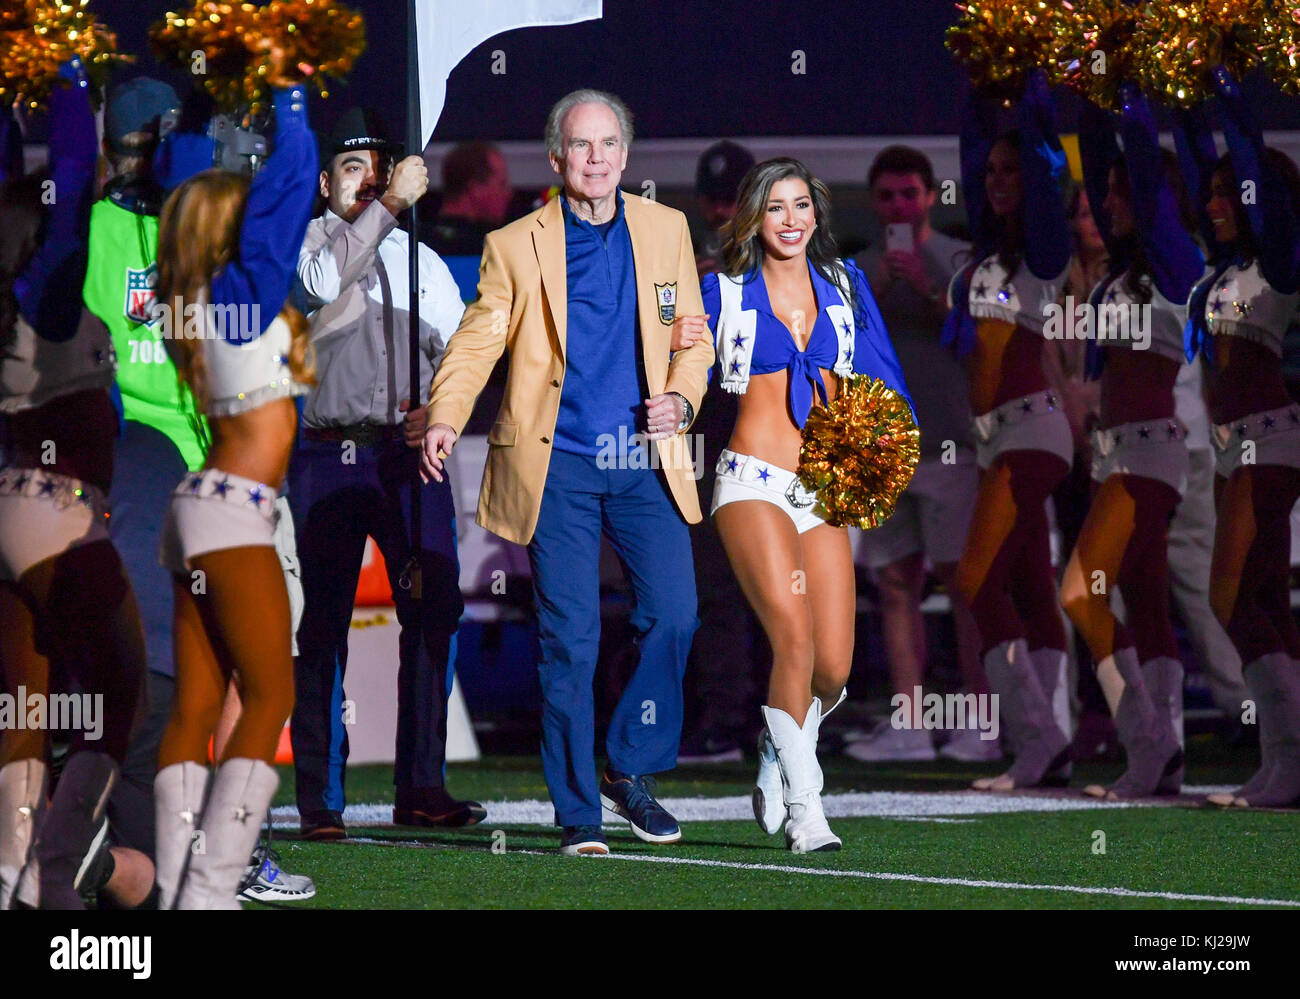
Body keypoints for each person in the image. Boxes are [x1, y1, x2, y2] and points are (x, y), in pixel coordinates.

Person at [421, 89, 713, 856]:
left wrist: (681, 398)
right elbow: (478, 341)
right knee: (570, 641)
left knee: (676, 614)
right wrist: (448, 413)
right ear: (556, 159)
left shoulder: (667, 229)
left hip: (645, 462)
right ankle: (579, 813)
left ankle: (629, 765)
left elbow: (694, 338)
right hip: (557, 470)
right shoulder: (516, 243)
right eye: (581, 146)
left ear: (626, 154)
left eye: (609, 143)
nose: (596, 158)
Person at [699, 157, 911, 852]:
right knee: (790, 632)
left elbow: (884, 380)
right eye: (775, 207)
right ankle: (807, 807)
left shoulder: (846, 288)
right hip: (749, 480)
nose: (790, 219)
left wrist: (888, 455)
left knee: (834, 667)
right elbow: (673, 367)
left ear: (817, 215)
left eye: (801, 206)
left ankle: (776, 738)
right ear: (754, 219)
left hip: (823, 487)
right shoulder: (722, 290)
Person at [151, 59, 319, 908]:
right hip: (234, 513)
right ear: (233, 232)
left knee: (197, 705)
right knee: (270, 695)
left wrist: (202, 100)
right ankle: (212, 889)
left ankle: (181, 879)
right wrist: (290, 90)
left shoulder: (189, 286)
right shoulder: (247, 294)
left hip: (194, 509)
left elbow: (183, 180)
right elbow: (293, 182)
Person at [291, 107, 481, 838]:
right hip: (327, 454)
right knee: (323, 623)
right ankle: (319, 798)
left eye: (380, 169)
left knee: (434, 609)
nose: (369, 182)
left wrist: (436, 410)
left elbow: (462, 359)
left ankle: (422, 784)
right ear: (322, 182)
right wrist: (393, 203)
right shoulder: (304, 245)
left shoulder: (424, 262)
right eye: (352, 169)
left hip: (407, 456)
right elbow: (323, 280)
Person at [0, 58, 147, 911]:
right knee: (119, 685)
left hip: (6, 518)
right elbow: (69, 173)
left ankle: (17, 866)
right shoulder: (48, 293)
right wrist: (64, 70)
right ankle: (67, 855)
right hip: (51, 510)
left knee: (21, 700)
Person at [1059, 87, 1202, 799]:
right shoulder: (1120, 273)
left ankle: (1148, 742)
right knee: (1144, 601)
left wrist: (1135, 93)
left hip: (1148, 452)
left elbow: (1142, 170)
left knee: (1079, 594)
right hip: (1118, 452)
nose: (1107, 204)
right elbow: (1109, 164)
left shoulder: (1176, 265)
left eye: (1119, 194)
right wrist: (1092, 99)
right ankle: (1162, 749)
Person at [947, 71, 1074, 791]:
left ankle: (1039, 735)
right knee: (1026, 585)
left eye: (1009, 170)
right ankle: (1049, 742)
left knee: (976, 579)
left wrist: (1025, 73)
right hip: (1000, 439)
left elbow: (1035, 151)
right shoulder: (989, 255)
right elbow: (972, 148)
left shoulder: (1044, 252)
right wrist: (980, 73)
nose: (996, 180)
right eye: (989, 172)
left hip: (1034, 436)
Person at [846, 144, 990, 764]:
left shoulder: (962, 262)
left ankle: (977, 724)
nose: (899, 206)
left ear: (931, 196)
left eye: (910, 194)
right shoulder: (856, 270)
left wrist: (933, 292)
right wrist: (880, 283)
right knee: (895, 585)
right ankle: (911, 721)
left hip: (953, 444)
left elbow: (985, 340)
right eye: (887, 196)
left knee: (964, 586)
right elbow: (837, 341)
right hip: (884, 445)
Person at [1187, 68, 1300, 809]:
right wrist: (1184, 95)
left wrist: (1230, 94)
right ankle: (1283, 760)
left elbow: (1254, 165)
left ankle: (1289, 758)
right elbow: (1198, 161)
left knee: (1228, 596)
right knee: (1260, 600)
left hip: (1271, 440)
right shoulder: (1222, 270)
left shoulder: (1284, 264)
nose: (1219, 202)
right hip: (1235, 447)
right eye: (1216, 192)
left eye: (1235, 193)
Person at [678, 138, 760, 765]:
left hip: (765, 432)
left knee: (774, 581)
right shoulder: (687, 257)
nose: (720, 214)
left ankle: (781, 715)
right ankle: (726, 716)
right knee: (713, 582)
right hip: (706, 435)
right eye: (713, 202)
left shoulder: (782, 259)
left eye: (731, 202)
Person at [424, 140, 513, 257]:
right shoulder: (493, 251)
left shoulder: (418, 243)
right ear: (475, 189)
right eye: (502, 184)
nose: (509, 193)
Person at [693, 140, 756, 281]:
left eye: (729, 200)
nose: (719, 210)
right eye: (711, 200)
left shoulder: (771, 253)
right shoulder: (680, 251)